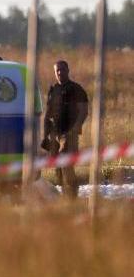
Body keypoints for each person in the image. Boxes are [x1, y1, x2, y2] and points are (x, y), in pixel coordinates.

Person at [43, 60, 89, 200]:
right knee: (58, 167)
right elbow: (48, 114)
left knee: (66, 164)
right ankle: (66, 196)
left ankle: (72, 195)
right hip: (55, 134)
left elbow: (84, 110)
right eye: (57, 70)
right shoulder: (53, 90)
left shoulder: (76, 89)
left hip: (69, 134)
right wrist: (46, 135)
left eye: (62, 69)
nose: (59, 73)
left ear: (68, 70)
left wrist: (75, 128)